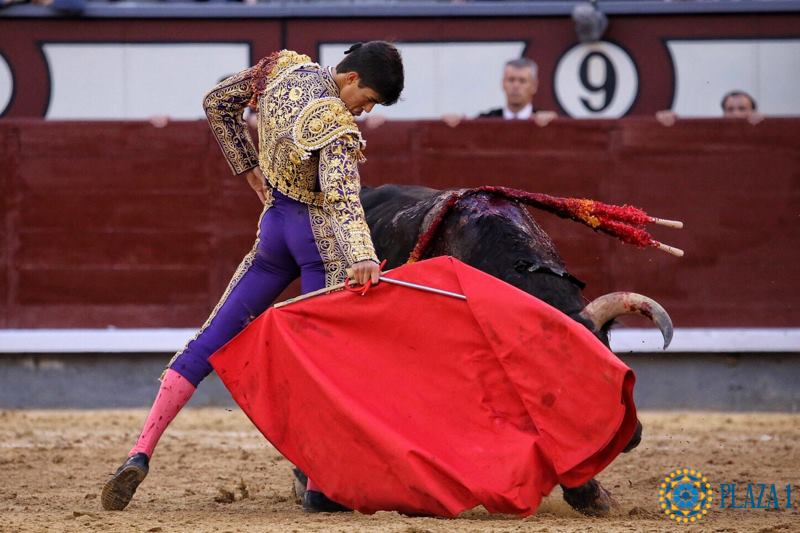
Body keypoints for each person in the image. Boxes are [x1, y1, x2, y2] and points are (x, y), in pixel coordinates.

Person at [100, 41, 404, 513]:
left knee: (208, 339)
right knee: (321, 362)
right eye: (366, 100)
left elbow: (215, 102)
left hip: (273, 230)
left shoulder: (283, 71)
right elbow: (344, 197)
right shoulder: (334, 124)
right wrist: (363, 254)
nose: (362, 113)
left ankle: (141, 449)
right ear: (349, 79)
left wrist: (246, 166)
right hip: (316, 243)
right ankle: (321, 487)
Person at [443, 58, 557, 127]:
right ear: (503, 83)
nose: (516, 86)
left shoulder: (544, 122)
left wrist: (555, 124)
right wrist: (455, 123)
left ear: (534, 86)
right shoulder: (485, 121)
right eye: (511, 80)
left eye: (522, 81)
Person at [655, 89, 763, 126]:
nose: (736, 114)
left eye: (742, 109)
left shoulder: (763, 131)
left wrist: (763, 124)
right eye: (730, 110)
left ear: (753, 111)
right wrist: (670, 121)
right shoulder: (715, 133)